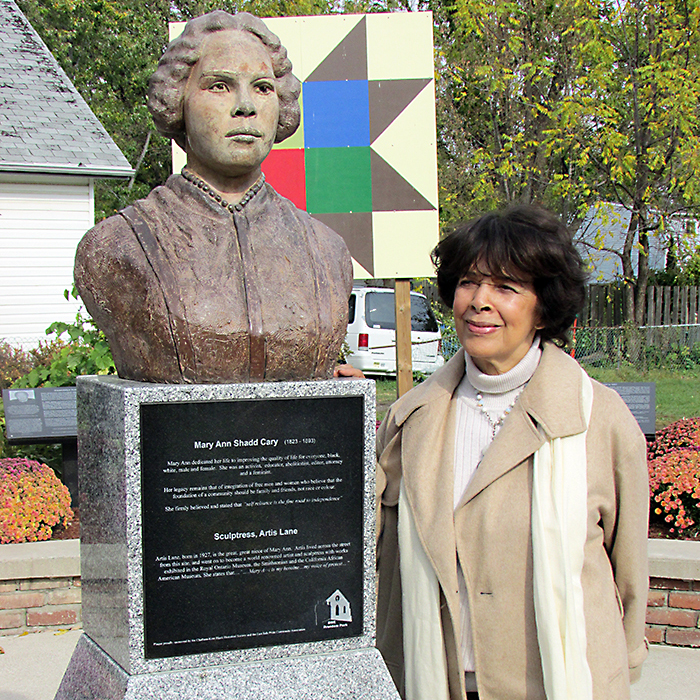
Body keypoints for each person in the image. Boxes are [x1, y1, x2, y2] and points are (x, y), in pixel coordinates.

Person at [375, 205, 649, 700]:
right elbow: (380, 554)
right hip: (434, 678)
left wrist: (618, 663)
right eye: (468, 282)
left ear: (543, 308)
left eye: (505, 287)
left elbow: (628, 569)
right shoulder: (409, 420)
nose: (479, 302)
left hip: (561, 682)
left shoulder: (598, 421)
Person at [75, 11, 352, 384]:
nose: (245, 106)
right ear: (178, 101)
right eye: (219, 86)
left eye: (262, 87)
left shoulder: (327, 252)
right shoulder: (117, 247)